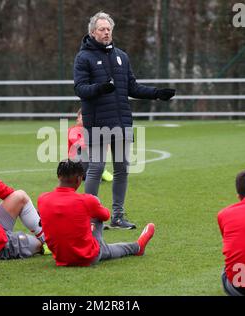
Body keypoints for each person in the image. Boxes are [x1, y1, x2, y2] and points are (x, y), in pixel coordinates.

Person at [73, 12, 175, 229]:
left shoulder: (121, 56)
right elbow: (80, 89)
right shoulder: (84, 58)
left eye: (108, 28)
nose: (106, 32)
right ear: (92, 32)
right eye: (101, 29)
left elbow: (132, 87)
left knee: (122, 169)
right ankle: (90, 218)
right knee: (96, 168)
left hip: (121, 121)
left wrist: (157, 93)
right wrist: (100, 88)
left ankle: (118, 217)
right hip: (98, 122)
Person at [37, 159, 155, 267]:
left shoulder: (42, 199)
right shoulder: (86, 200)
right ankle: (137, 247)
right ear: (79, 179)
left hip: (60, 257)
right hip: (87, 256)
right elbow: (105, 215)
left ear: (58, 176)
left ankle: (135, 247)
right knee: (103, 246)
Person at [68, 108, 113, 182]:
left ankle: (97, 170)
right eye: (79, 117)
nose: (77, 119)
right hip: (76, 164)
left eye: (80, 117)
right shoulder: (73, 130)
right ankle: (94, 172)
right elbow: (81, 146)